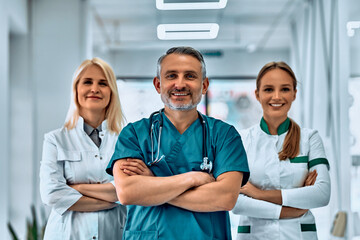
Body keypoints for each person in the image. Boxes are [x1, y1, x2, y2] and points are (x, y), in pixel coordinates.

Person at [105, 46, 250, 240]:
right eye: (171, 76)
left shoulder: (224, 136)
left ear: (204, 85)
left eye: (190, 76)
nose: (180, 84)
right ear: (158, 85)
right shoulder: (134, 134)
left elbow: (225, 198)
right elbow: (127, 192)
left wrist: (152, 185)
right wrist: (193, 178)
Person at [232, 61, 331, 239]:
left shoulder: (309, 138)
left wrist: (259, 194)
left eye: (285, 89)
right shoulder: (241, 140)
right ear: (257, 94)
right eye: (268, 89)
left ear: (294, 94)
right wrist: (292, 210)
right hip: (254, 234)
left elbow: (321, 194)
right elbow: (235, 201)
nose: (277, 97)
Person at [40, 57, 127, 240]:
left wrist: (76, 188)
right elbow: (52, 194)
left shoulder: (126, 140)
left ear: (111, 91)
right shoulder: (55, 140)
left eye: (103, 83)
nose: (94, 89)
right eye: (87, 82)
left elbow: (128, 191)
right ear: (76, 89)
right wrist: (110, 199)